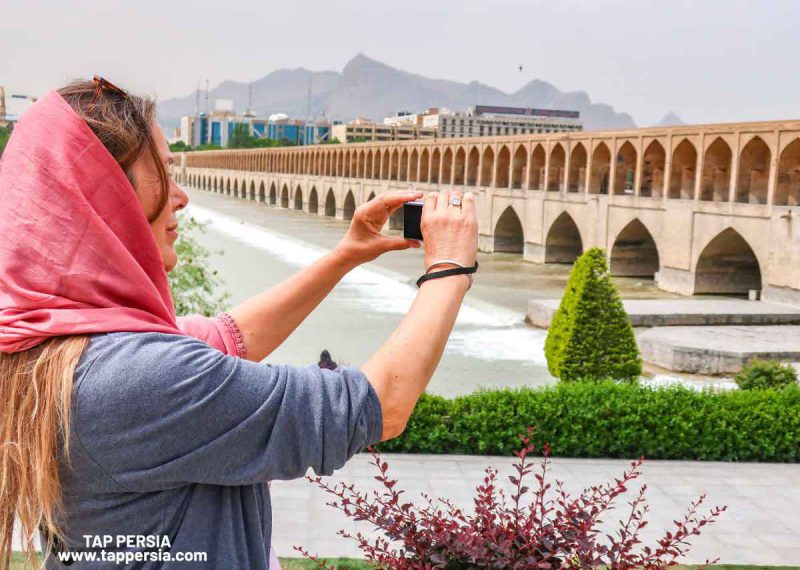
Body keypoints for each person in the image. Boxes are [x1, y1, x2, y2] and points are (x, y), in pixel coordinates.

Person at [0, 77, 478, 569]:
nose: (181, 197)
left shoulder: (57, 345)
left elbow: (230, 337)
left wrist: (345, 257)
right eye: (163, 174)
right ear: (105, 201)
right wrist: (450, 270)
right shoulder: (139, 379)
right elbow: (376, 406)